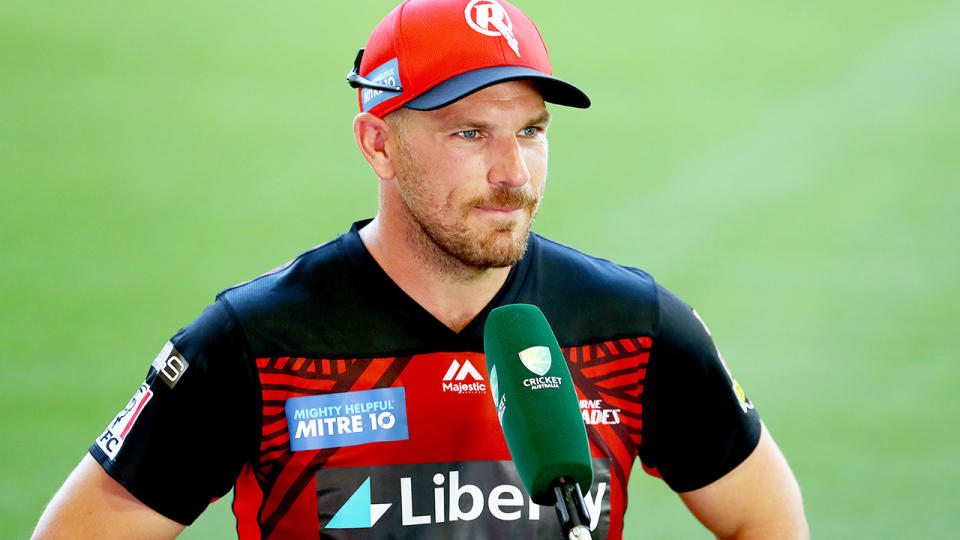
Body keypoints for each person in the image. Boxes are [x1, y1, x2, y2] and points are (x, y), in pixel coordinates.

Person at [33, 0, 808, 538]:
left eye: (531, 131)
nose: (515, 173)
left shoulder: (633, 329)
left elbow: (763, 517)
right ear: (377, 143)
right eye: (471, 133)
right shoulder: (254, 342)